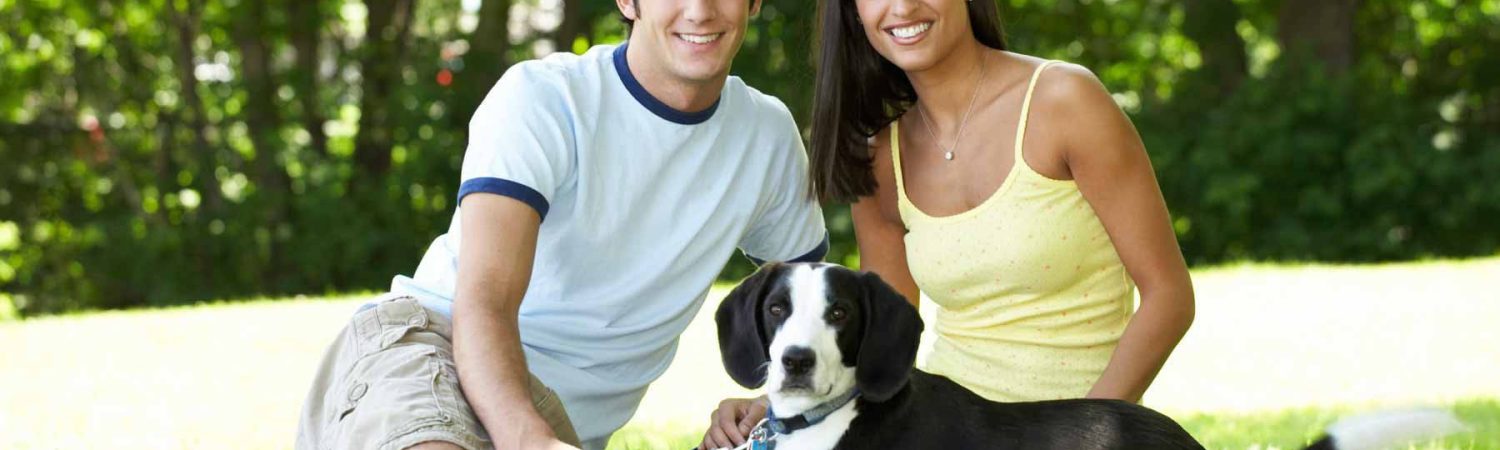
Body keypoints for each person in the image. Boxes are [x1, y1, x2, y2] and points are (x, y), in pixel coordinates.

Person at [294, 1, 828, 449]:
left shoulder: (767, 137)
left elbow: (817, 307)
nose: (699, 10)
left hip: (561, 423)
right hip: (437, 347)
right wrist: (531, 440)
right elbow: (485, 299)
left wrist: (773, 401)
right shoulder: (545, 98)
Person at [700, 0, 1194, 447]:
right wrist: (776, 402)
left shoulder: (1065, 101)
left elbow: (1168, 296)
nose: (903, 7)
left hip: (1072, 430)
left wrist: (1088, 436)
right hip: (943, 429)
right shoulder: (882, 160)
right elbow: (877, 346)